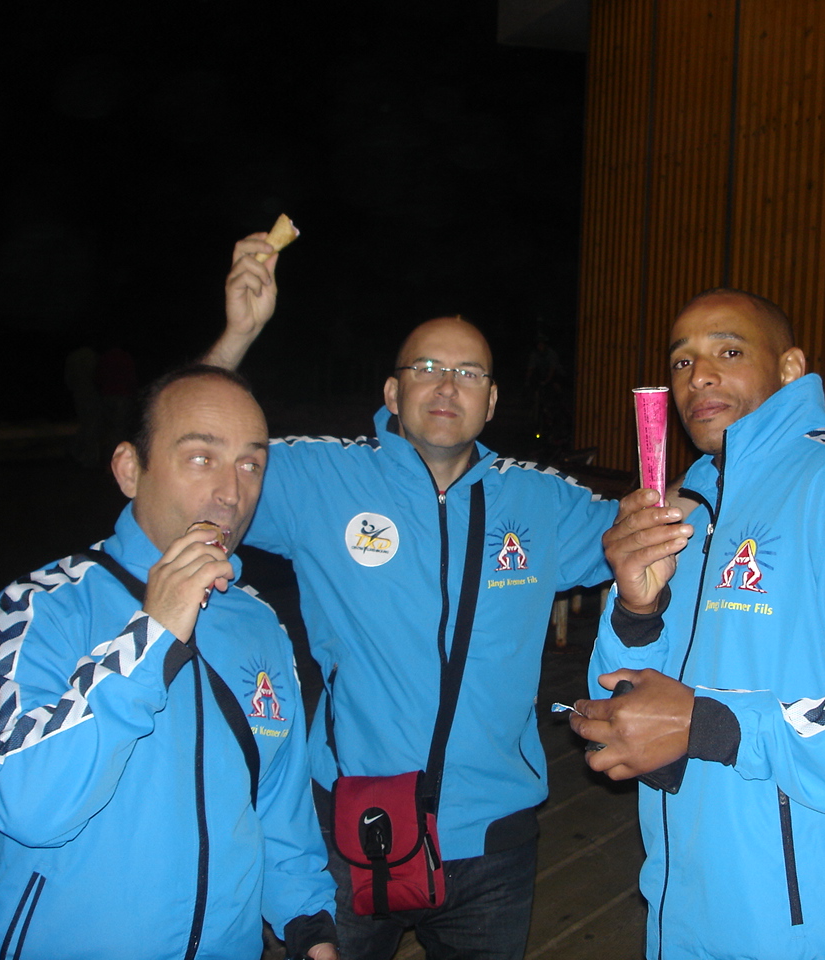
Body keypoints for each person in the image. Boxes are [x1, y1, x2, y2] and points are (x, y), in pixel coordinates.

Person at [206, 234, 619, 960]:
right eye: (426, 368)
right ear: (392, 393)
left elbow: (658, 535)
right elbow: (197, 461)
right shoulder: (321, 480)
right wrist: (237, 335)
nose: (446, 386)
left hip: (493, 842)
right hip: (351, 826)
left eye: (468, 373)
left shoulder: (539, 500)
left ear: (491, 401)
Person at [569, 289, 825, 960]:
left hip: (802, 926)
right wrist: (637, 611)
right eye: (682, 361)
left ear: (789, 369)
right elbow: (624, 708)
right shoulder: (685, 506)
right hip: (681, 901)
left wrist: (715, 725)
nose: (699, 376)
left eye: (728, 352)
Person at [0, 366, 337, 960]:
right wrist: (152, 633)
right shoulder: (38, 609)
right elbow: (25, 804)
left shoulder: (260, 625)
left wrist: (310, 927)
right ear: (129, 470)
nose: (231, 492)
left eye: (250, 464)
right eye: (200, 458)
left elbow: (277, 808)